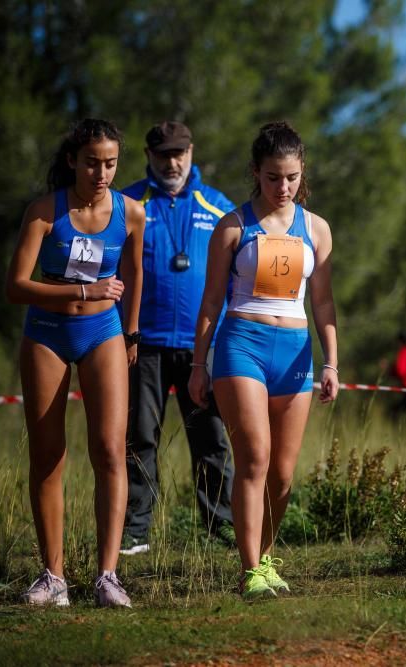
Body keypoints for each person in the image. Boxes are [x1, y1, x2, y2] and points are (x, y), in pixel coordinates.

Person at [188, 121, 339, 599]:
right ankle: (250, 569)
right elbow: (211, 301)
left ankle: (267, 558)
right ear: (256, 172)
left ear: (302, 173)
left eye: (291, 177)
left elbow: (323, 304)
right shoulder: (232, 226)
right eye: (273, 177)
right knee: (254, 458)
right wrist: (199, 363)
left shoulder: (316, 228)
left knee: (283, 472)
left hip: (295, 352)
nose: (283, 187)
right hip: (242, 346)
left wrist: (332, 362)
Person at [5, 118, 145, 607]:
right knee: (49, 457)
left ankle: (109, 576)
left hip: (103, 332)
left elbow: (134, 270)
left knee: (109, 450)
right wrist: (82, 289)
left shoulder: (131, 212)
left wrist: (131, 332)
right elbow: (15, 286)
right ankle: (54, 578)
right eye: (92, 163)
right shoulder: (45, 211)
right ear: (72, 161)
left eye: (110, 163)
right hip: (46, 334)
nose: (102, 173)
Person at [119, 121, 236, 555]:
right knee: (140, 437)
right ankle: (135, 530)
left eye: (179, 153)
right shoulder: (129, 202)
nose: (173, 162)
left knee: (211, 439)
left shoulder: (219, 205)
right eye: (164, 154)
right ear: (149, 156)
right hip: (142, 344)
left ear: (191, 153)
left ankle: (219, 527)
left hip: (200, 347)